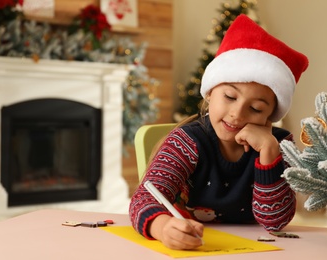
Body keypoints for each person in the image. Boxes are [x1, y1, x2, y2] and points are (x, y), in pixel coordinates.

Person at [129, 14, 309, 250]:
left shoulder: (280, 144)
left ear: (270, 115)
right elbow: (143, 199)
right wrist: (163, 228)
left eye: (256, 108)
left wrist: (269, 154)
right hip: (194, 245)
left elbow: (276, 222)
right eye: (230, 97)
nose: (237, 113)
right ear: (210, 93)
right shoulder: (186, 141)